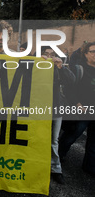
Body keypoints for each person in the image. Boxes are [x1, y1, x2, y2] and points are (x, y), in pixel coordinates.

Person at [59, 42, 95, 178]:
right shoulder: (79, 69)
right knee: (73, 135)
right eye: (93, 51)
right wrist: (77, 104)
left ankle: (89, 166)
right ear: (85, 54)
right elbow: (69, 88)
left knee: (93, 141)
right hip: (82, 111)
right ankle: (58, 157)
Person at [41, 46, 75, 184]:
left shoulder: (59, 68)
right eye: (46, 54)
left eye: (52, 54)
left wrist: (60, 66)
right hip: (39, 109)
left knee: (53, 140)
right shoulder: (34, 66)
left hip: (55, 109)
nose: (49, 57)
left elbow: (71, 81)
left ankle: (56, 169)